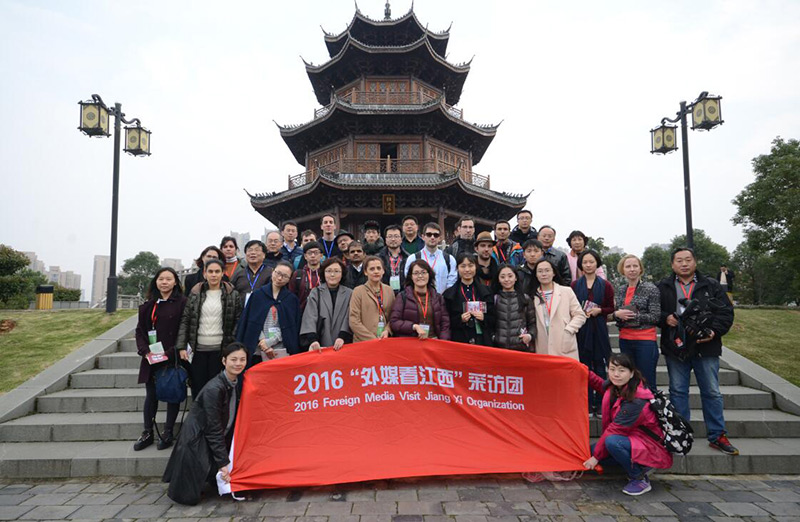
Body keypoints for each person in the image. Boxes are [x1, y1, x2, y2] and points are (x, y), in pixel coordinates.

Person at [658, 247, 737, 455]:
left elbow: (726, 313)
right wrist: (665, 318)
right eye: (679, 261)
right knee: (678, 392)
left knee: (711, 392)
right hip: (676, 346)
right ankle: (681, 435)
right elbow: (654, 311)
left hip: (706, 346)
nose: (684, 264)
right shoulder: (664, 286)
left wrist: (713, 331)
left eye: (688, 260)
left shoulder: (711, 285)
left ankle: (717, 435)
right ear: (672, 264)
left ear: (695, 262)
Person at [162, 342, 247, 506]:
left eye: (242, 359)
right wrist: (223, 463)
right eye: (233, 359)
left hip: (208, 439)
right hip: (197, 443)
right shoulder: (214, 389)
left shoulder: (232, 383)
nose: (238, 363)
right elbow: (213, 428)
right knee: (190, 496)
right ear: (224, 361)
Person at [582, 353, 673, 497]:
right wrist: (581, 369)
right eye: (612, 369)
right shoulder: (615, 387)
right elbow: (599, 384)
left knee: (610, 443)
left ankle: (639, 477)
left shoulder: (637, 399)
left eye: (621, 370)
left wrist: (597, 458)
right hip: (630, 439)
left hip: (650, 446)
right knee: (590, 452)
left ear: (631, 374)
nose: (616, 374)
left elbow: (613, 430)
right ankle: (638, 464)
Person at [133, 268, 187, 451]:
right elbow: (140, 330)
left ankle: (168, 432)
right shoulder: (149, 305)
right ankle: (148, 432)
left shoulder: (182, 303)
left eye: (168, 279)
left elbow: (184, 330)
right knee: (151, 396)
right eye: (161, 279)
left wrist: (171, 352)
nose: (164, 282)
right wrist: (145, 351)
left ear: (175, 282)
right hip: (151, 357)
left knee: (172, 395)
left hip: (171, 356)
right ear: (156, 282)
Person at [177, 259, 242, 399]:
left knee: (217, 390)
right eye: (210, 271)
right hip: (198, 349)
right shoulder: (195, 293)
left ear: (223, 273)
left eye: (217, 271)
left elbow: (238, 320)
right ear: (205, 273)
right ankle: (199, 419)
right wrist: (181, 346)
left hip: (220, 350)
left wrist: (231, 343)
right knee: (198, 389)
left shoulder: (232, 294)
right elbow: (186, 320)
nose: (214, 275)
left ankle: (216, 419)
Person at [572, 250, 615, 415]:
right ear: (581, 265)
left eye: (591, 262)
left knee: (600, 366)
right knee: (585, 366)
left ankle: (602, 402)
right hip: (582, 330)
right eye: (585, 262)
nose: (588, 265)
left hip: (599, 329)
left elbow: (611, 307)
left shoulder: (606, 285)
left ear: (597, 264)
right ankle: (588, 402)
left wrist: (600, 311)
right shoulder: (575, 285)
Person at [613, 254, 661, 394]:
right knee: (628, 380)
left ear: (641, 269)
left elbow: (655, 316)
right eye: (628, 266)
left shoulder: (651, 289)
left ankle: (651, 412)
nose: (632, 269)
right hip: (625, 339)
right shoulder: (621, 289)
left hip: (645, 340)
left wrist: (634, 316)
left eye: (635, 266)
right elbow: (616, 313)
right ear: (623, 270)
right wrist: (617, 315)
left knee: (646, 380)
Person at [237, 261, 302, 363]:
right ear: (272, 271)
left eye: (285, 276)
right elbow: (252, 322)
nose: (280, 278)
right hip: (258, 349)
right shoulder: (258, 295)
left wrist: (270, 342)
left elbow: (290, 327)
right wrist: (263, 343)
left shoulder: (291, 300)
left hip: (281, 350)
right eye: (278, 273)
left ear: (289, 279)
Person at [530, 259, 585, 359]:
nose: (544, 274)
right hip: (542, 344)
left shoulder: (566, 291)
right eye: (540, 271)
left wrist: (569, 330)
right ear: (536, 275)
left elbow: (580, 315)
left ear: (553, 272)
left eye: (547, 270)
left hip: (564, 341)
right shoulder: (532, 296)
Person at [300, 257, 353, 351]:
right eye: (328, 271)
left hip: (343, 343)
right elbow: (310, 317)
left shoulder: (350, 293)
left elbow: (349, 316)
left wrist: (342, 336)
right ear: (323, 273)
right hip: (320, 343)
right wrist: (313, 340)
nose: (332, 274)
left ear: (342, 274)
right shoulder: (316, 292)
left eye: (337, 271)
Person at [390, 259, 451, 340]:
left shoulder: (438, 298)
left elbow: (445, 324)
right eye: (416, 273)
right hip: (411, 343)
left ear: (429, 275)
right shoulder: (402, 297)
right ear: (411, 276)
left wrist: (443, 341)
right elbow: (394, 322)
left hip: (433, 342)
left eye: (423, 272)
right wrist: (413, 326)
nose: (420, 276)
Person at [443, 253, 494, 345]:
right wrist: (460, 319)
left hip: (482, 339)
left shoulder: (486, 292)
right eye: (463, 266)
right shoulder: (449, 294)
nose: (467, 270)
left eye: (471, 266)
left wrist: (484, 318)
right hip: (459, 340)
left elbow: (494, 317)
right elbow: (445, 320)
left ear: (476, 267)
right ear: (457, 268)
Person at [349, 256, 396, 342]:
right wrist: (372, 339)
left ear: (383, 271)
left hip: (384, 340)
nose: (376, 271)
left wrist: (387, 330)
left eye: (378, 268)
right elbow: (354, 321)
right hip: (363, 342)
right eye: (372, 269)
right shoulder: (358, 291)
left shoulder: (389, 290)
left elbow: (393, 316)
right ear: (365, 272)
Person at [492, 264, 535, 351]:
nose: (507, 279)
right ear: (498, 280)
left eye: (510, 276)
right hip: (499, 348)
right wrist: (493, 337)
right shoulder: (495, 299)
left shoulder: (525, 298)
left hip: (520, 348)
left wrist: (530, 335)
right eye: (502, 277)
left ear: (516, 278)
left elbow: (532, 323)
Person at [404, 222, 457, 293]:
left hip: (442, 301)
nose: (432, 237)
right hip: (419, 301)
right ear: (423, 237)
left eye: (436, 235)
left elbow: (451, 284)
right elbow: (409, 282)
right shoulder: (413, 259)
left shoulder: (449, 259)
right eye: (429, 234)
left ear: (440, 238)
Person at [290, 240, 323, 311]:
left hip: (323, 313)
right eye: (310, 253)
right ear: (305, 256)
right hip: (302, 313)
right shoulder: (298, 274)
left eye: (316, 253)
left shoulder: (326, 273)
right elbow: (291, 296)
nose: (313, 255)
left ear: (321, 256)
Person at [377, 224, 408, 293]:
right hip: (384, 293)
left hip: (404, 294)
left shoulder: (408, 257)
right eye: (390, 236)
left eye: (396, 236)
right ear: (385, 239)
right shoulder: (378, 258)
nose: (393, 239)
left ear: (401, 239)